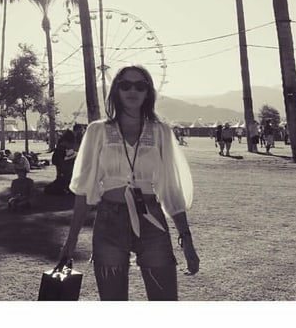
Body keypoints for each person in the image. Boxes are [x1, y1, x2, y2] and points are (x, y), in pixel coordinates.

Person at [58, 65, 199, 301]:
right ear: (116, 90)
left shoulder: (161, 132)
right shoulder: (97, 131)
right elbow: (84, 190)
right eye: (125, 85)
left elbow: (171, 190)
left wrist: (187, 241)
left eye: (140, 86)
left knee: (164, 300)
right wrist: (70, 243)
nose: (132, 90)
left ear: (148, 92)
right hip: (109, 221)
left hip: (152, 220)